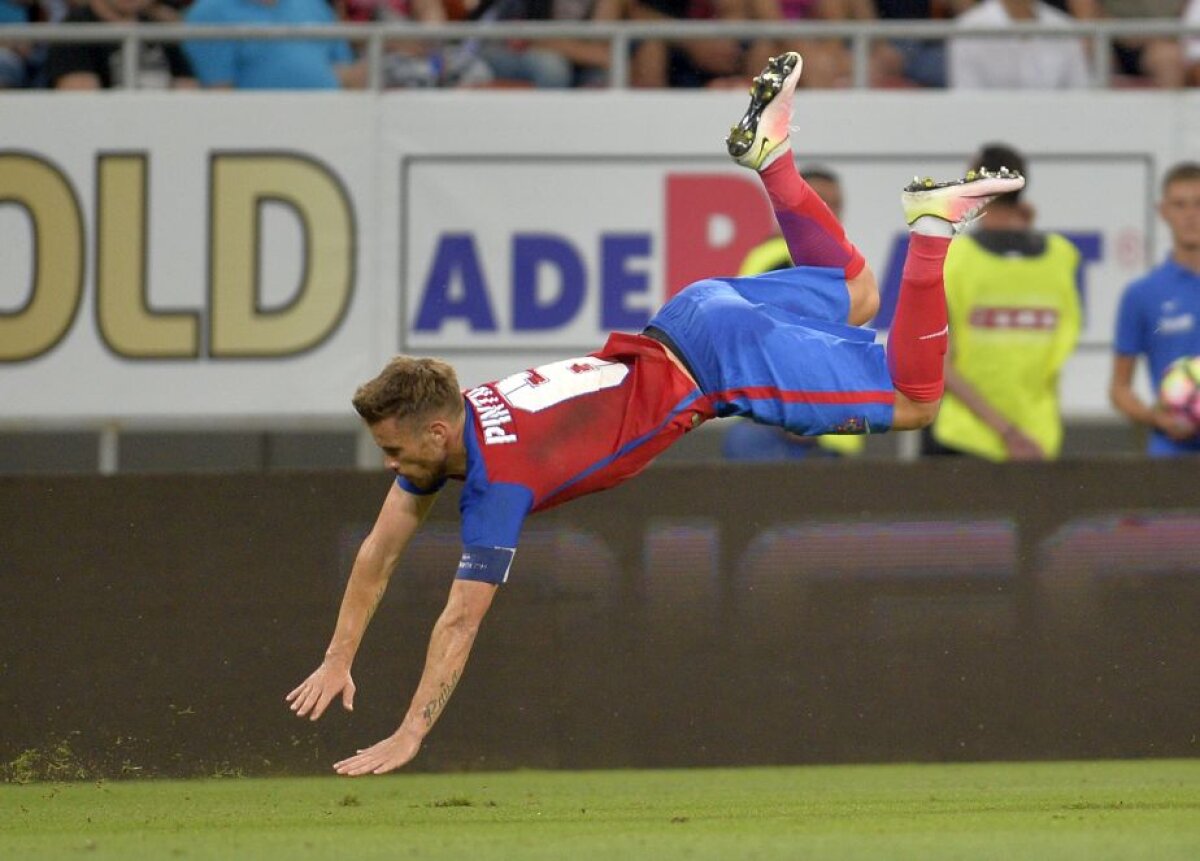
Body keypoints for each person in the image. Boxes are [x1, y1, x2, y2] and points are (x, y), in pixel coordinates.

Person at [286, 51, 1024, 775]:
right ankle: (772, 159)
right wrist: (338, 655)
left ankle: (930, 234)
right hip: (691, 312)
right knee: (858, 292)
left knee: (916, 402)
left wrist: (411, 732)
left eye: (394, 450)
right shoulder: (457, 423)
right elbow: (378, 553)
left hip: (717, 361)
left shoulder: (496, 481)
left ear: (436, 431)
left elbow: (459, 620)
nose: (391, 465)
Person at [923, 143, 1081, 461]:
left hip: (965, 437)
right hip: (1038, 437)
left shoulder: (954, 259)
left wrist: (1005, 432)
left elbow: (940, 364)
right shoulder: (1062, 256)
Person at [727, 164, 865, 458]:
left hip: (834, 432)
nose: (828, 212)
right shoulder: (773, 259)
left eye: (835, 204)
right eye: (819, 202)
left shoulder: (849, 266)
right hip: (778, 430)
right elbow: (754, 344)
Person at [1109, 161, 1200, 455]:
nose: (1190, 216)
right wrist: (1156, 417)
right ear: (1164, 212)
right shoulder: (1143, 294)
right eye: (1180, 205)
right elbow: (1119, 388)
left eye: (1198, 204)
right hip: (1171, 455)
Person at [184, 0, 365, 90]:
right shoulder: (209, 13)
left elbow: (345, 73)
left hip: (332, 123)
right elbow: (219, 93)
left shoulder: (313, 5)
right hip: (261, 138)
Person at [43, 0, 196, 90]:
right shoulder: (75, 30)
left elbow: (188, 91)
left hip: (165, 132)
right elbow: (80, 104)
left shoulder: (157, 29)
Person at [948, 0, 1090, 89]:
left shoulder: (1064, 28)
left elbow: (1079, 92)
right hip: (991, 130)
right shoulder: (969, 29)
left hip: (1057, 127)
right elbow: (968, 99)